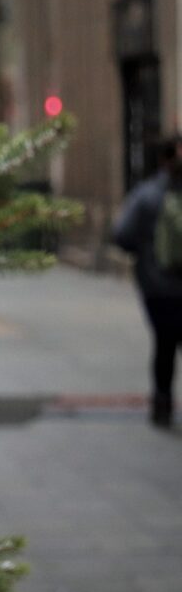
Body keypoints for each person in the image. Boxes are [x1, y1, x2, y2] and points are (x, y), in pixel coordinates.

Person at [114, 137, 182, 427]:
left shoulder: (146, 194)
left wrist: (146, 252)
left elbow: (122, 235)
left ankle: (162, 402)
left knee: (165, 346)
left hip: (158, 287)